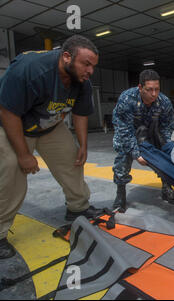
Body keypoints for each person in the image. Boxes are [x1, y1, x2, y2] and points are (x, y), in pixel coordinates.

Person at [0, 35, 104, 259]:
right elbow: (8, 112)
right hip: (16, 123)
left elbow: (80, 113)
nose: (90, 71)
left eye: (93, 66)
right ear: (67, 56)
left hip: (49, 123)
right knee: (11, 173)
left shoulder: (82, 81)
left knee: (72, 160)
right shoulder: (30, 69)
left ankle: (77, 207)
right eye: (86, 64)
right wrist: (24, 154)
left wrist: (83, 145)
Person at [112, 69, 174, 212]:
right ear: (140, 87)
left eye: (157, 89)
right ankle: (120, 194)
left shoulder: (164, 101)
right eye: (149, 90)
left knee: (167, 155)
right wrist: (136, 153)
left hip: (151, 133)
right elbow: (124, 130)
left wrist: (167, 147)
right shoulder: (127, 99)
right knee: (123, 156)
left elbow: (167, 127)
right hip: (129, 133)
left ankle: (166, 188)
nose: (154, 94)